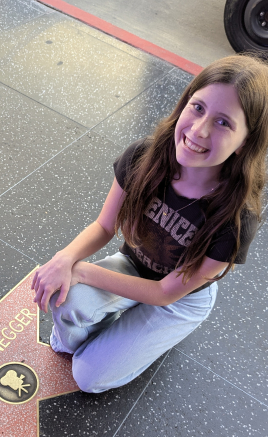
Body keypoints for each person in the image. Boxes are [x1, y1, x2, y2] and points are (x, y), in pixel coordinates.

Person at [31, 55, 268, 393]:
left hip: (180, 298)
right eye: (198, 107)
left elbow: (165, 292)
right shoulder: (144, 156)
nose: (199, 130)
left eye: (223, 122)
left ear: (245, 141)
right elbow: (104, 227)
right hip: (134, 264)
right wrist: (65, 258)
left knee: (88, 377)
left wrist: (81, 271)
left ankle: (157, 331)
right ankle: (117, 327)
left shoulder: (237, 219)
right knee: (65, 306)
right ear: (185, 102)